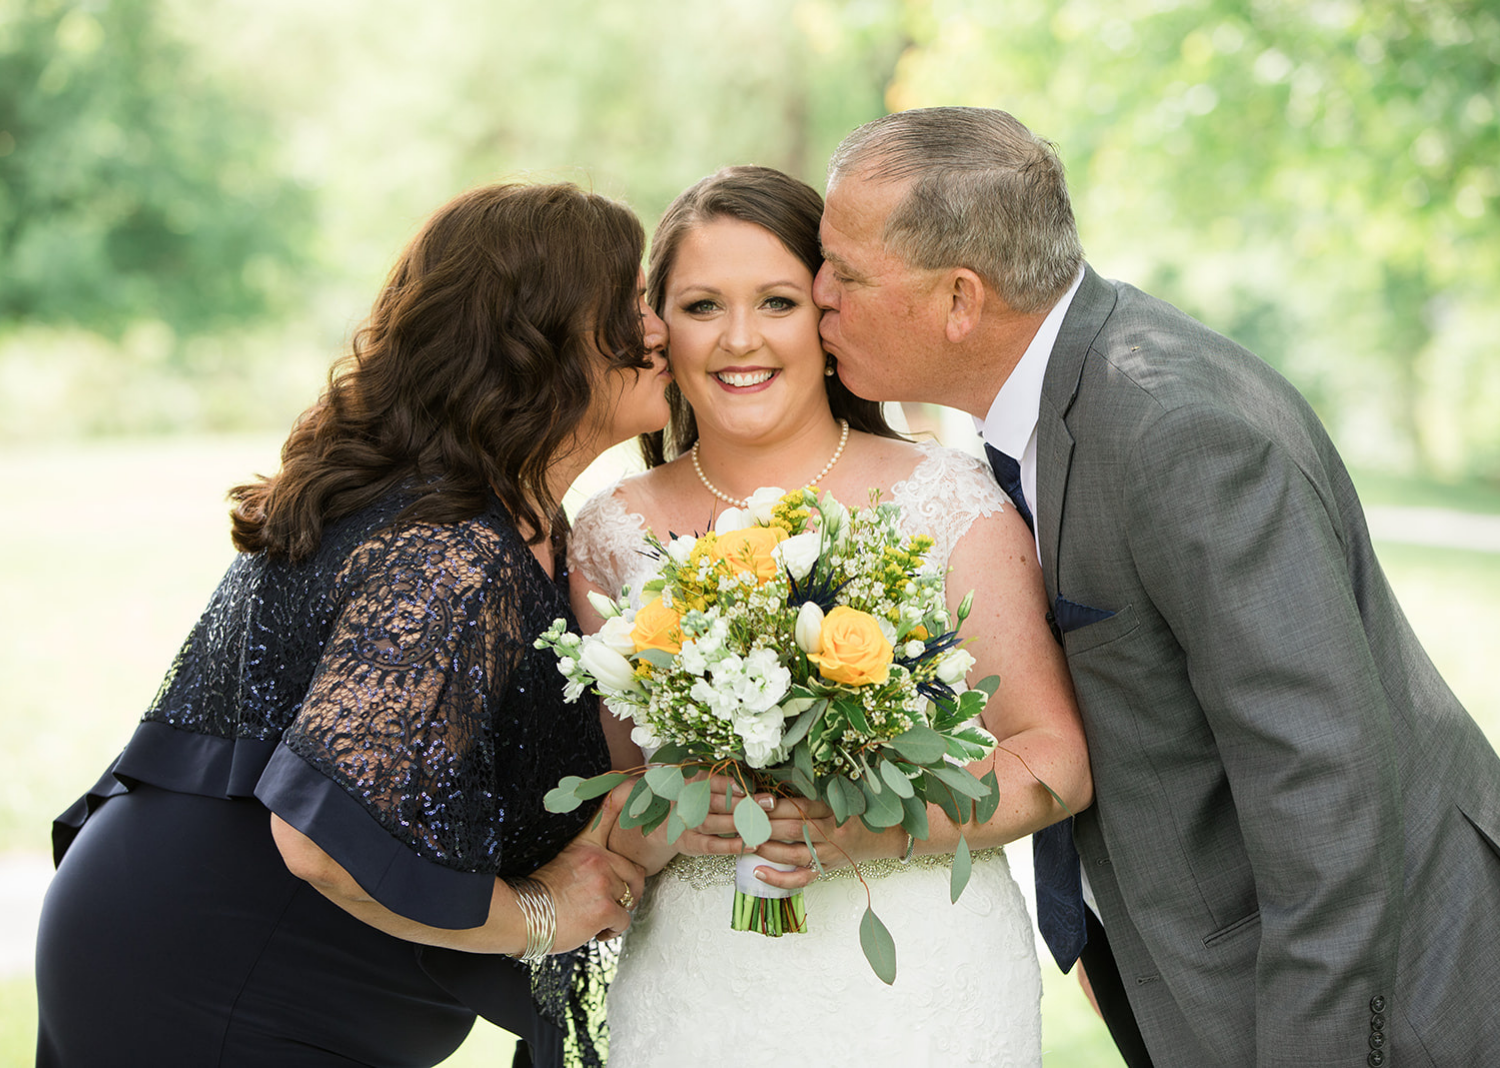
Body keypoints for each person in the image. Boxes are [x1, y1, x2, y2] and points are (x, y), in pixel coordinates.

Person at [814, 105, 1500, 1067]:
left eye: (843, 273)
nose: (816, 297)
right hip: (1203, 978)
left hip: (1391, 1001)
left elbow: (1324, 786)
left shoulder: (1173, 427)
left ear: (961, 299)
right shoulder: (1051, 400)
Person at [34, 182, 671, 1068]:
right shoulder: (452, 549)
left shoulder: (506, 521)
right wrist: (538, 916)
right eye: (632, 303)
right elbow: (318, 840)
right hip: (224, 982)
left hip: (178, 938)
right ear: (541, 338)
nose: (661, 327)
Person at [566, 165, 1091, 1066]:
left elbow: (1056, 763)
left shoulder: (943, 498)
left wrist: (872, 824)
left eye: (776, 301)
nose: (739, 340)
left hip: (917, 987)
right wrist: (668, 821)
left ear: (829, 312)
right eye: (700, 307)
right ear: (659, 331)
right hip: (702, 992)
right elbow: (613, 794)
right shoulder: (613, 530)